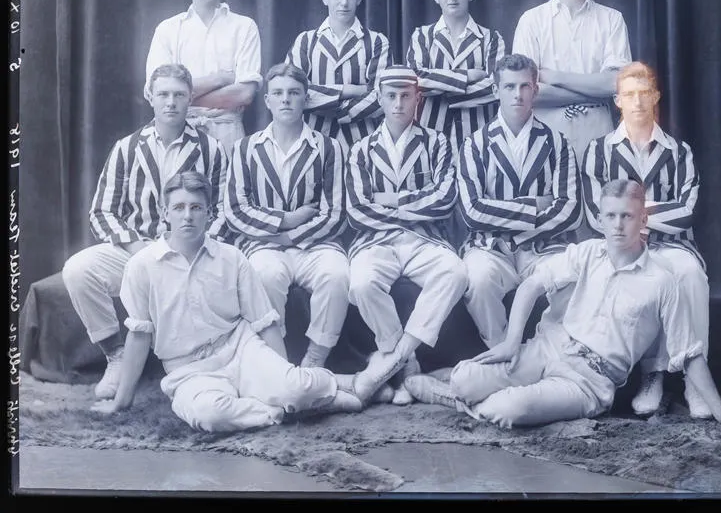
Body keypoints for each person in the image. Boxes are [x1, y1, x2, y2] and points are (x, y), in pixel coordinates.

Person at [403, 180, 721, 430]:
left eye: (628, 216)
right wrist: (512, 342)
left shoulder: (663, 281)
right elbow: (531, 284)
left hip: (588, 381)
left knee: (509, 408)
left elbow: (688, 353)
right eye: (611, 216)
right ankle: (459, 390)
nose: (618, 225)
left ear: (643, 220)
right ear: (600, 219)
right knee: (466, 379)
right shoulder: (587, 254)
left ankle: (454, 398)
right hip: (548, 348)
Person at [89, 171, 364, 431]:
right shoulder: (141, 266)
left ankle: (338, 385)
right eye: (179, 208)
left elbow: (264, 322)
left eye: (196, 208)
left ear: (209, 214)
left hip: (241, 350)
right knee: (209, 415)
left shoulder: (231, 257)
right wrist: (121, 402)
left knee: (292, 386)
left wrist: (282, 378)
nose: (187, 216)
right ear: (165, 213)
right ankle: (281, 410)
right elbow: (138, 336)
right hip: (188, 369)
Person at [62, 64, 228, 401]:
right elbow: (101, 211)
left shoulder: (211, 149)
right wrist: (136, 246)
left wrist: (192, 245)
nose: (171, 102)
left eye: (179, 95)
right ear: (149, 97)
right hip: (136, 251)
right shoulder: (127, 148)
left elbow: (224, 210)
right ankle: (116, 356)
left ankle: (200, 367)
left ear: (190, 99)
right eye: (163, 94)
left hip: (190, 253)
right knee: (78, 269)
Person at [582, 62, 711, 418]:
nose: (638, 102)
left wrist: (633, 212)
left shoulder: (678, 152)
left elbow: (688, 212)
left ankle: (694, 380)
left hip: (674, 244)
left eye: (644, 94)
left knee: (689, 275)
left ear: (655, 97)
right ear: (617, 101)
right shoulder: (599, 152)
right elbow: (597, 214)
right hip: (622, 248)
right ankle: (651, 374)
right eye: (629, 95)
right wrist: (654, 211)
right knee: (643, 275)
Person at [345, 66, 468, 406]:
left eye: (406, 96)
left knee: (455, 272)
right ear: (380, 99)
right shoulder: (361, 149)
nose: (398, 103)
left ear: (418, 98)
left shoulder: (437, 142)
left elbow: (444, 200)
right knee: (361, 283)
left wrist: (390, 201)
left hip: (424, 239)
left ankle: (394, 357)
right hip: (376, 240)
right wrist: (415, 200)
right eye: (391, 96)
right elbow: (357, 209)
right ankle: (407, 365)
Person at [224, 63, 350, 369]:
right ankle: (276, 362)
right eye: (278, 93)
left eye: (294, 93)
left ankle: (315, 359)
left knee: (337, 275)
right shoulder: (245, 148)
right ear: (267, 101)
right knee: (265, 274)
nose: (286, 100)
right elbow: (236, 211)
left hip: (317, 246)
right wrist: (286, 221)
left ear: (305, 99)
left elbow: (335, 213)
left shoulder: (329, 148)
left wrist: (291, 236)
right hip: (264, 245)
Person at [457, 54, 582, 351]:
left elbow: (570, 211)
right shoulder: (474, 144)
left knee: (572, 279)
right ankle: (501, 352)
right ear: (495, 90)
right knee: (478, 280)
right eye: (509, 86)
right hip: (490, 248)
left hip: (543, 247)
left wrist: (505, 216)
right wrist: (533, 205)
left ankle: (547, 353)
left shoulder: (557, 142)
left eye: (525, 86)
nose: (517, 94)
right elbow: (473, 212)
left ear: (535, 90)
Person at [512, 0, 632, 161]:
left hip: (597, 133)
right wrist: (592, 91)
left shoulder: (611, 19)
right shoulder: (532, 20)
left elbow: (615, 83)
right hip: (546, 132)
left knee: (596, 195)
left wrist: (553, 76)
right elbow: (528, 92)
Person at [145, 0, 263, 154]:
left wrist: (180, 95)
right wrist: (219, 79)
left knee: (226, 186)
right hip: (178, 132)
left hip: (227, 133)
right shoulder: (168, 29)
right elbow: (157, 91)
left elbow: (244, 94)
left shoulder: (244, 27)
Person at [285, 0, 391, 153]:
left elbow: (381, 99)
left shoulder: (377, 42)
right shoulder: (305, 41)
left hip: (363, 143)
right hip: (313, 143)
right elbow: (292, 93)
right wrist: (350, 90)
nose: (344, 2)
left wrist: (323, 103)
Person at [406, 0, 506, 153]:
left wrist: (440, 89)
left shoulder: (491, 39)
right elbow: (415, 80)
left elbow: (496, 87)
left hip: (480, 138)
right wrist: (465, 76)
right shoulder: (422, 36)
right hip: (429, 138)